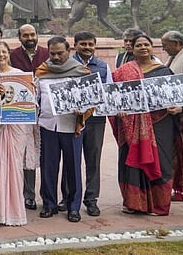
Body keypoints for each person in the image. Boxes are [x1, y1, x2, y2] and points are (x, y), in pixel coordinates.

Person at [111, 34, 183, 216]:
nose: (143, 48)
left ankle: (159, 205)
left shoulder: (164, 71)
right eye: (138, 45)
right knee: (130, 160)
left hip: (161, 122)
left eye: (146, 44)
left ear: (152, 47)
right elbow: (114, 97)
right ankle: (133, 203)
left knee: (161, 160)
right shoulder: (124, 71)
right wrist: (120, 109)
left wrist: (177, 108)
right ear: (131, 48)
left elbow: (178, 98)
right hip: (131, 122)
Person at [34, 36, 91, 223]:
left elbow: (92, 100)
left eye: (60, 53)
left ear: (69, 51)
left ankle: (73, 206)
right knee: (48, 167)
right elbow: (35, 98)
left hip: (71, 126)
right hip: (47, 125)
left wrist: (82, 110)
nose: (56, 57)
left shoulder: (81, 72)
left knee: (73, 168)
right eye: (53, 53)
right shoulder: (42, 72)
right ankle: (49, 204)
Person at [0, 41, 29, 226]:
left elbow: (26, 102)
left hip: (14, 126)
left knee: (14, 168)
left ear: (9, 54)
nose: (1, 55)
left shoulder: (19, 75)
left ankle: (15, 212)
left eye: (4, 52)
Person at [69, 31, 113, 217]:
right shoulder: (66, 65)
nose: (87, 48)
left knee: (93, 160)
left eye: (90, 44)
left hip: (95, 119)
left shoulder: (103, 66)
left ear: (95, 46)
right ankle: (70, 198)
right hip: (71, 120)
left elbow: (109, 91)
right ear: (75, 45)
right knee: (72, 161)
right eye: (83, 44)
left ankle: (91, 199)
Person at [9, 24, 47, 211]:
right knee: (24, 154)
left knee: (45, 154)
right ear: (19, 37)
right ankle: (26, 195)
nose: (29, 37)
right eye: (25, 35)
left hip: (44, 114)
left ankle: (47, 197)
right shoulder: (12, 55)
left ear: (37, 35)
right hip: (19, 113)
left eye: (32, 34)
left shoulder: (48, 54)